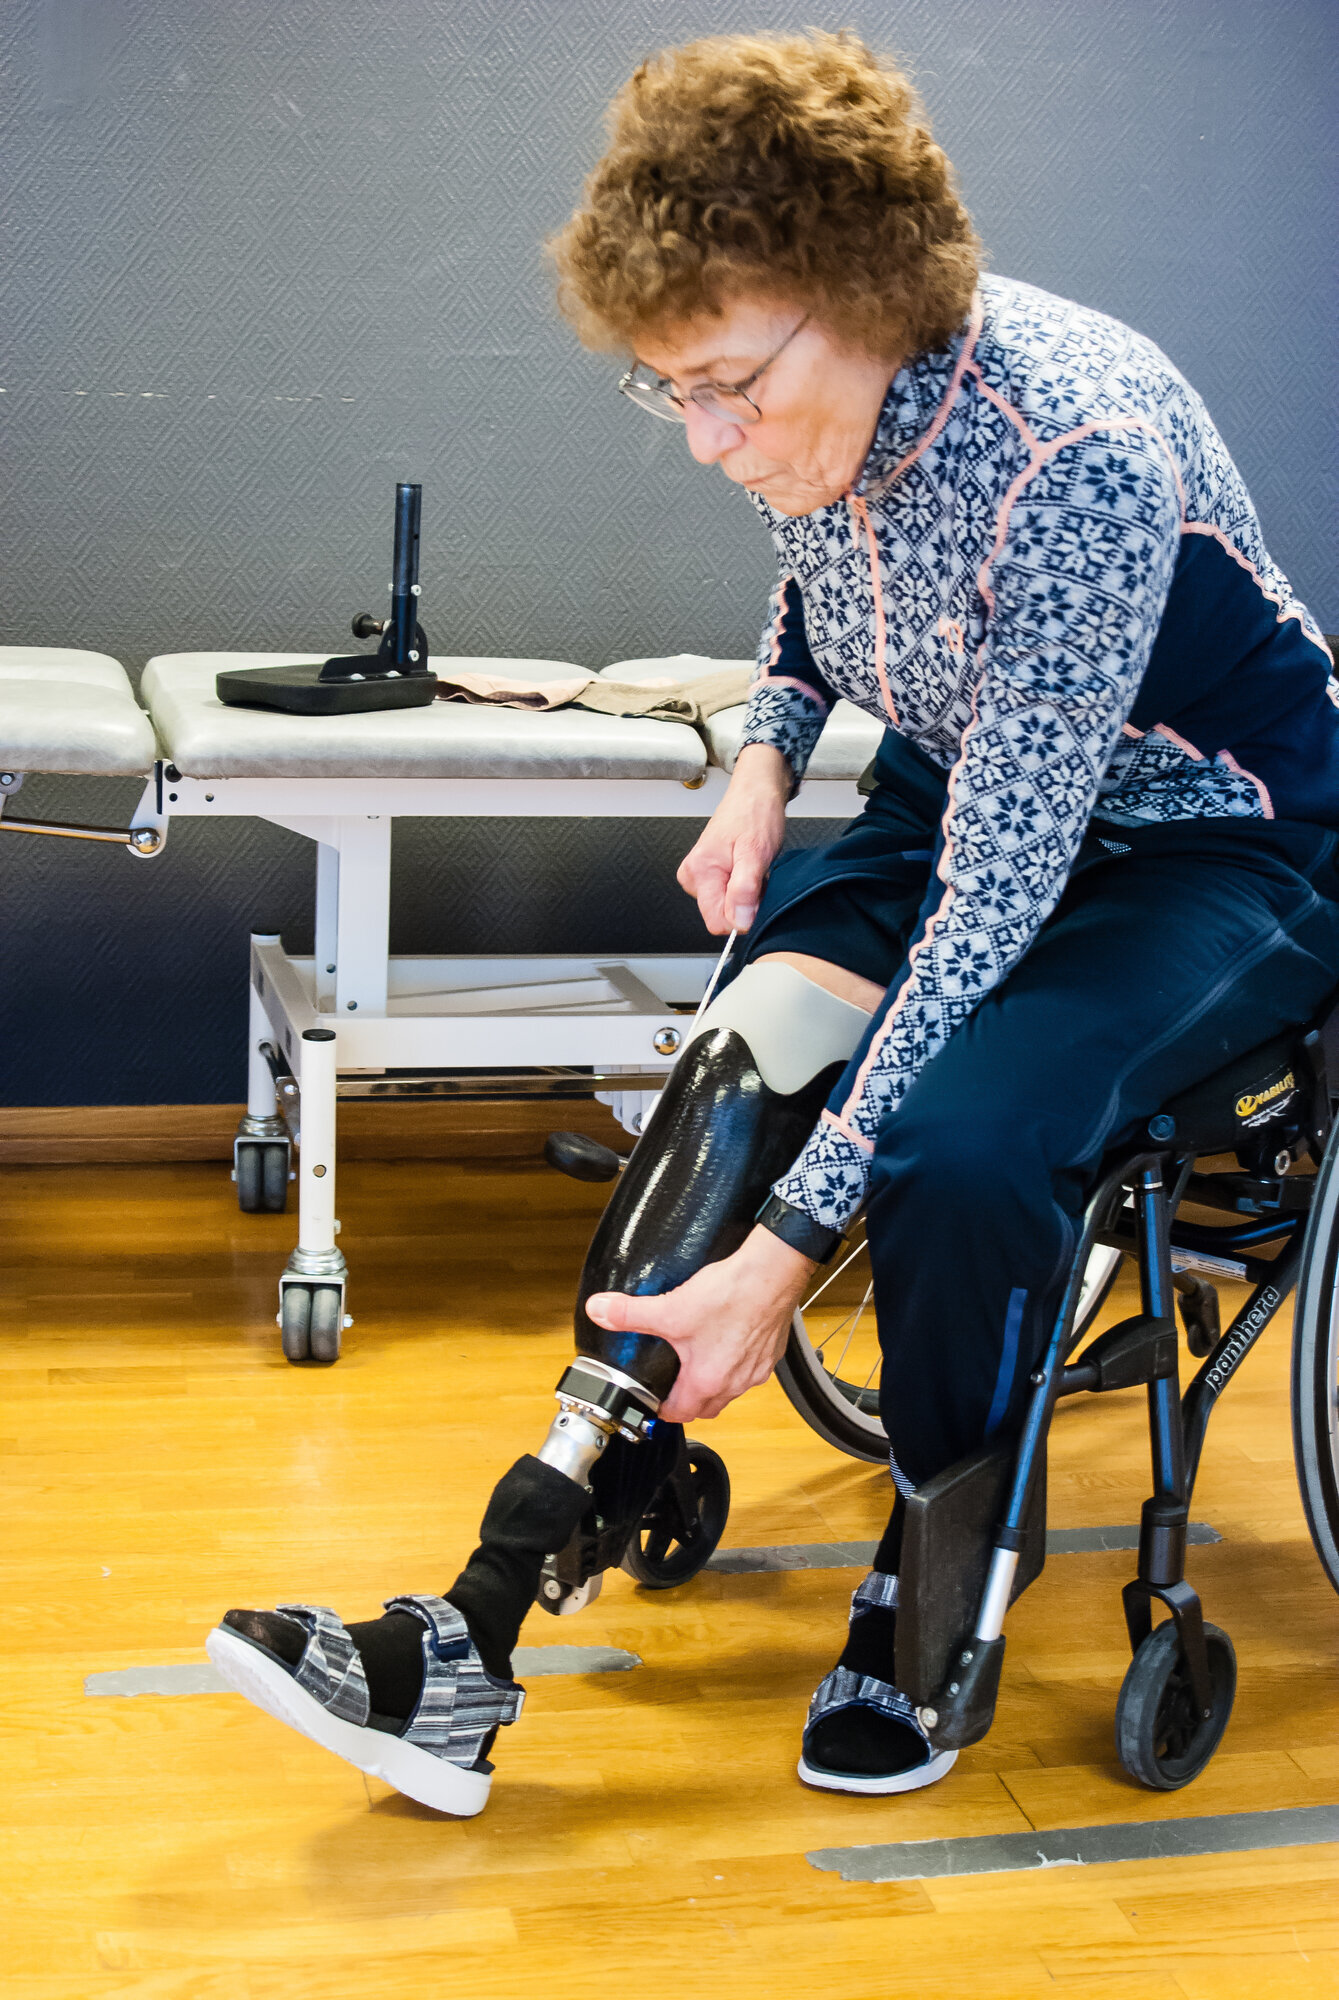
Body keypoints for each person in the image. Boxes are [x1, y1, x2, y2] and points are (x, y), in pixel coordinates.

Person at [205, 30, 1339, 1815]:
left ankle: (947, 1571)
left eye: (733, 385)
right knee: (749, 1054)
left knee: (963, 1143)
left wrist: (792, 1257)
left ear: (865, 293)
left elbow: (998, 907)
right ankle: (489, 1609)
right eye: (677, 394)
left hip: (1216, 837)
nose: (714, 442)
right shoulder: (831, 422)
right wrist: (756, 771)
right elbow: (817, 606)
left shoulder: (1077, 456)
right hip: (974, 791)